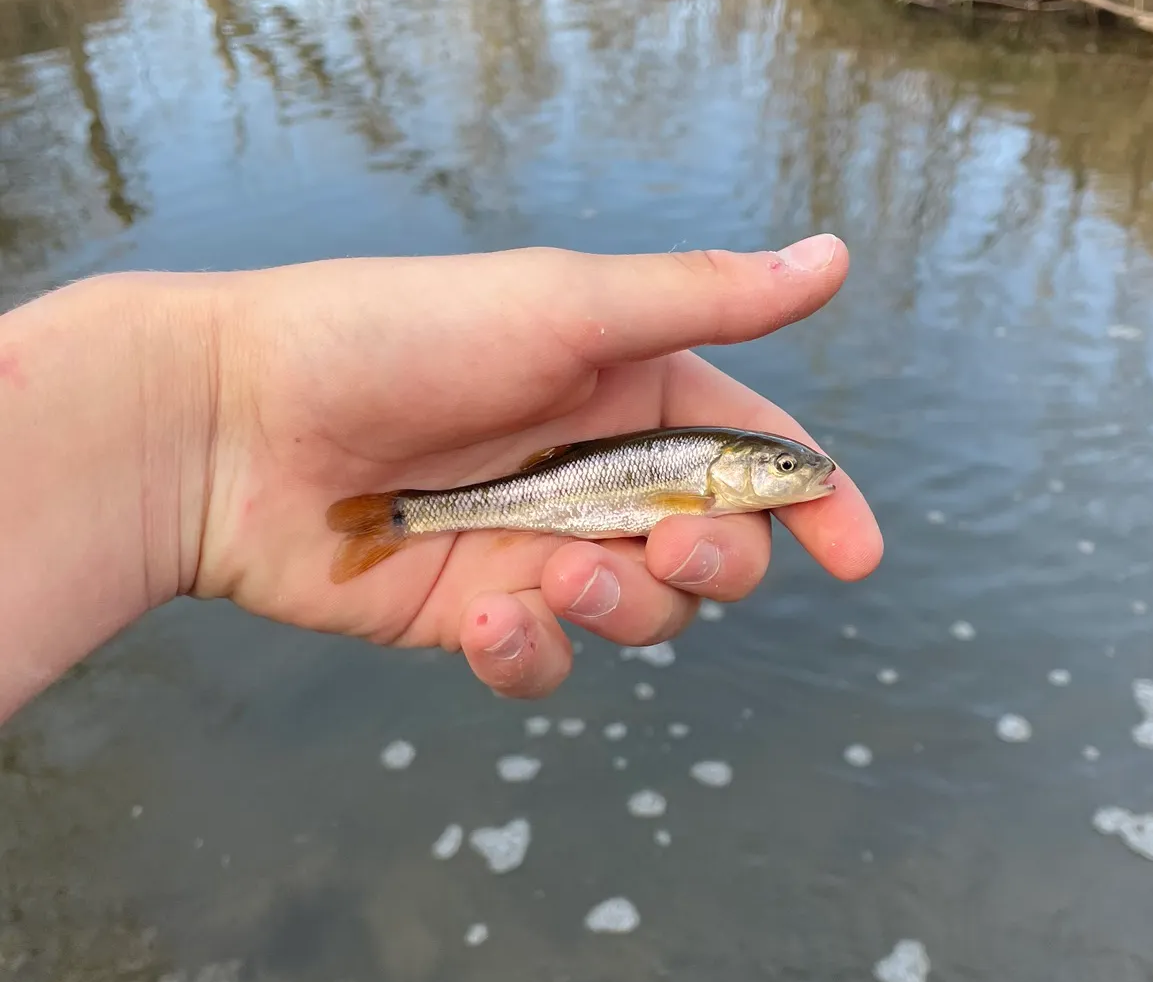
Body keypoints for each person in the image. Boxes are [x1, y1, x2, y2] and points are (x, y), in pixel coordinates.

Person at [0, 234, 883, 726]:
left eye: (790, 470)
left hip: (537, 497)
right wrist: (210, 410)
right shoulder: (702, 478)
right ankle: (412, 518)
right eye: (781, 467)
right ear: (734, 474)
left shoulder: (708, 481)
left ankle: (415, 517)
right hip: (527, 493)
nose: (796, 475)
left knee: (591, 579)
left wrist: (206, 415)